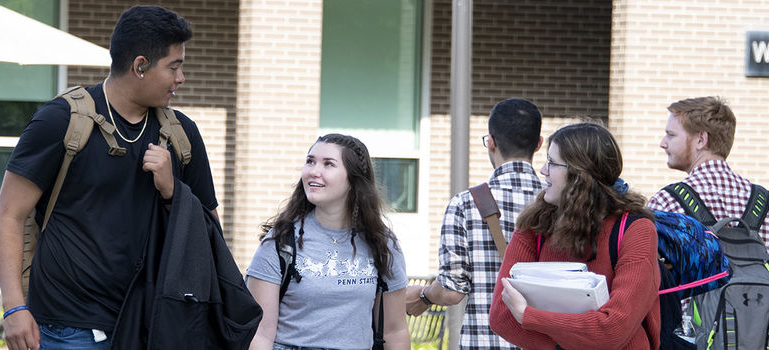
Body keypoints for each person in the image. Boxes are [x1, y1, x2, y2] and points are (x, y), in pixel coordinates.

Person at [0, 5, 219, 350]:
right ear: (140, 66)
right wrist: (14, 306)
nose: (181, 78)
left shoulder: (182, 135)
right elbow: (9, 214)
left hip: (151, 325)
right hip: (65, 330)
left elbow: (211, 235)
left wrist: (174, 192)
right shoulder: (60, 121)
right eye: (174, 66)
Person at [489, 123, 660, 350]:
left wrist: (528, 316)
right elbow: (501, 317)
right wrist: (580, 338)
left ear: (580, 174)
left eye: (552, 163)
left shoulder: (635, 230)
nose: (542, 170)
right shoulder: (534, 225)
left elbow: (614, 328)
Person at [646, 96, 769, 343]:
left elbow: (651, 294)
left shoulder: (667, 203)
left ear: (701, 140)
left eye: (671, 135)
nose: (663, 143)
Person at [245, 134, 409, 350]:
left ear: (354, 179)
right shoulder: (280, 242)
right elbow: (260, 334)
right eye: (310, 161)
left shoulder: (382, 244)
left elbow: (394, 331)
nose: (313, 171)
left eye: (328, 164)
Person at [404, 98, 545, 349]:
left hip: (485, 342)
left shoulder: (466, 204)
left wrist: (423, 296)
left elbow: (451, 291)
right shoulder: (562, 204)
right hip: (543, 341)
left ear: (490, 142)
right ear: (539, 144)